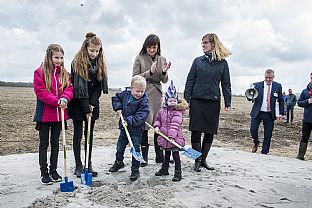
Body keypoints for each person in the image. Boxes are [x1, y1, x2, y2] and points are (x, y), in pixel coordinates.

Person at [184, 33, 232, 172]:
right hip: (197, 100)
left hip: (213, 101)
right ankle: (197, 160)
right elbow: (190, 81)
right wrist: (187, 100)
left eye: (205, 42)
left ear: (213, 44)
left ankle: (203, 159)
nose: (203, 45)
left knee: (210, 132)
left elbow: (226, 83)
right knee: (196, 131)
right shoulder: (197, 61)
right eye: (202, 43)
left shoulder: (223, 63)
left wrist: (227, 101)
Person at [68, 32, 108, 178]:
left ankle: (87, 163)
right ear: (85, 48)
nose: (94, 53)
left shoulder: (100, 63)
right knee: (78, 135)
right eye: (91, 50)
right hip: (78, 103)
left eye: (97, 51)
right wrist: (85, 108)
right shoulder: (77, 62)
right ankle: (78, 165)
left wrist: (92, 103)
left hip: (92, 103)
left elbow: (98, 86)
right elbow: (79, 88)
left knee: (89, 135)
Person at [33, 44, 73, 185]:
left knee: (56, 143)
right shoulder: (40, 72)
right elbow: (41, 92)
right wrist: (57, 101)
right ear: (49, 57)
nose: (59, 60)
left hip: (60, 115)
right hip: (45, 115)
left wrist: (65, 98)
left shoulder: (64, 73)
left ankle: (53, 170)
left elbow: (69, 88)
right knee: (44, 144)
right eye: (56, 57)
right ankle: (44, 173)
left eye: (61, 58)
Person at [133, 34, 171, 166]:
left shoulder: (162, 59)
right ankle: (144, 157)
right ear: (146, 46)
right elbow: (134, 77)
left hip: (158, 95)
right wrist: (150, 72)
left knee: (158, 125)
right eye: (149, 47)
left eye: (154, 47)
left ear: (158, 47)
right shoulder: (139, 58)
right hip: (144, 94)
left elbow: (164, 80)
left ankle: (159, 155)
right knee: (145, 125)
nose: (152, 50)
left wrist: (164, 72)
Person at [109, 75, 149, 181]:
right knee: (120, 147)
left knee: (135, 149)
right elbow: (115, 98)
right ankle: (119, 162)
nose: (140, 94)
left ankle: (135, 170)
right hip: (124, 128)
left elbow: (142, 115)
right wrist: (118, 108)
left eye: (142, 91)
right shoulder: (125, 94)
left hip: (136, 129)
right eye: (137, 91)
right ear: (131, 88)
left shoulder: (144, 101)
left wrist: (129, 120)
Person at [154, 81, 188, 182]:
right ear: (166, 101)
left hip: (174, 138)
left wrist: (172, 137)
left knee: (176, 156)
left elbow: (175, 125)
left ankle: (178, 173)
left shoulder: (178, 112)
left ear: (176, 101)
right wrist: (156, 126)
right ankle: (165, 169)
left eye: (174, 100)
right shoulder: (162, 111)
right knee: (167, 154)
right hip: (165, 137)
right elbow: (158, 119)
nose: (172, 102)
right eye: (170, 100)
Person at [250, 69, 285, 154]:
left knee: (268, 134)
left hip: (269, 114)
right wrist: (250, 95)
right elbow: (250, 97)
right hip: (258, 112)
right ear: (264, 76)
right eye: (266, 77)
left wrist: (281, 113)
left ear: (273, 77)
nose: (268, 79)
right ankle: (256, 142)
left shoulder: (277, 86)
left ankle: (264, 153)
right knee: (253, 130)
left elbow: (281, 100)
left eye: (270, 77)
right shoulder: (257, 85)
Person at [296, 73, 312, 160]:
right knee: (304, 137)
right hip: (307, 119)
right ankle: (300, 155)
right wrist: (307, 101)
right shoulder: (305, 91)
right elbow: (299, 103)